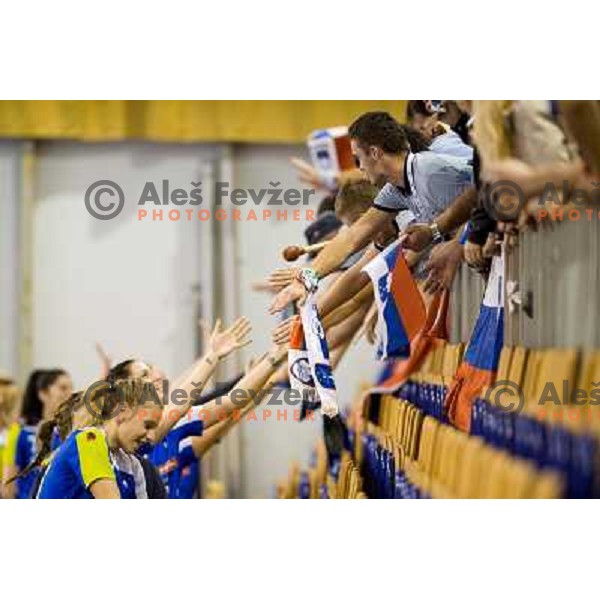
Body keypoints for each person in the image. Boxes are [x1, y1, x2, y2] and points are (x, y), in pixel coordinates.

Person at [270, 111, 475, 314]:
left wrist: (459, 243)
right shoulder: (395, 190)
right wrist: (307, 278)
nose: (359, 168)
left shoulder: (429, 171)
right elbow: (353, 236)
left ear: (375, 153)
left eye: (358, 159)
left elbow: (486, 191)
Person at [36, 378, 159, 499]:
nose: (151, 436)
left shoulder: (131, 465)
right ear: (123, 412)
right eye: (147, 426)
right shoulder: (89, 440)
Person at [2, 369, 72, 498]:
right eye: (63, 388)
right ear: (43, 394)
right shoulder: (21, 432)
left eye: (71, 388)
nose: (69, 393)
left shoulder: (73, 434)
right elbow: (8, 487)